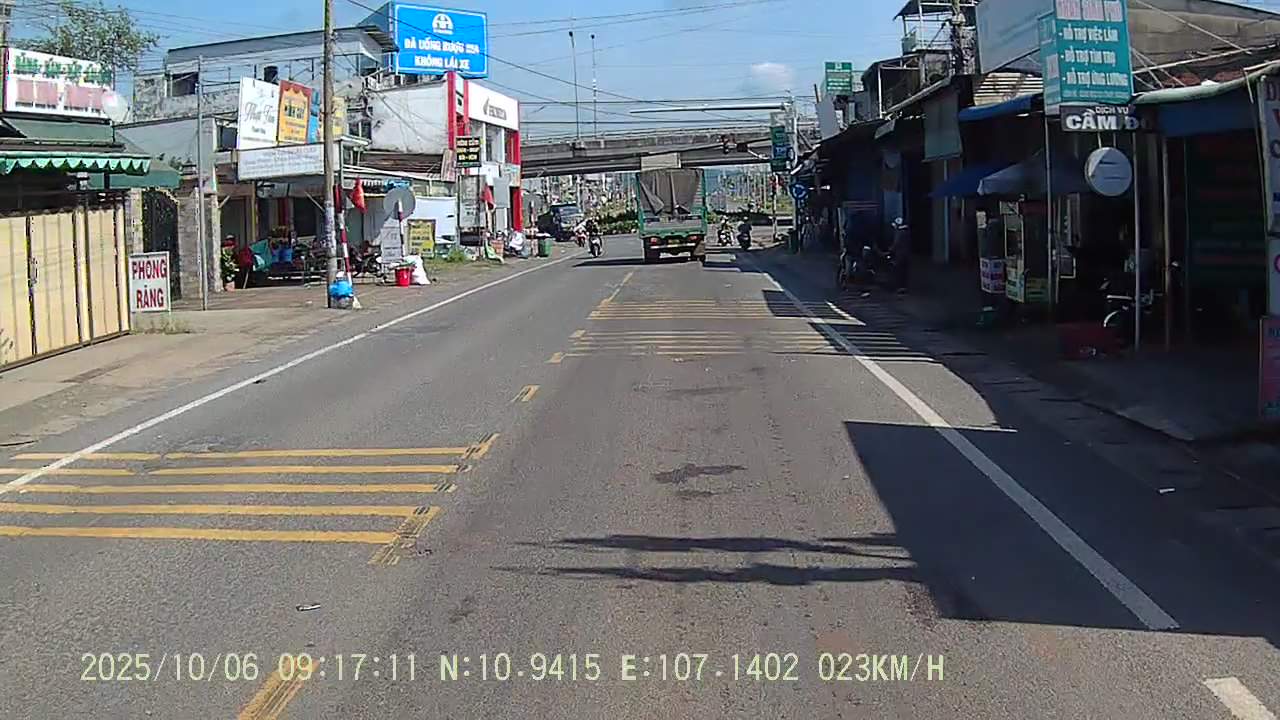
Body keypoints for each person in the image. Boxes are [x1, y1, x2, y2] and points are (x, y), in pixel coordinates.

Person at [889, 217, 911, 294]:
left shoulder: (899, 233)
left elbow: (896, 244)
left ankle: (899, 287)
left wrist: (890, 250)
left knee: (898, 271)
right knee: (904, 271)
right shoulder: (907, 232)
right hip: (906, 255)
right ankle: (904, 287)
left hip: (899, 255)